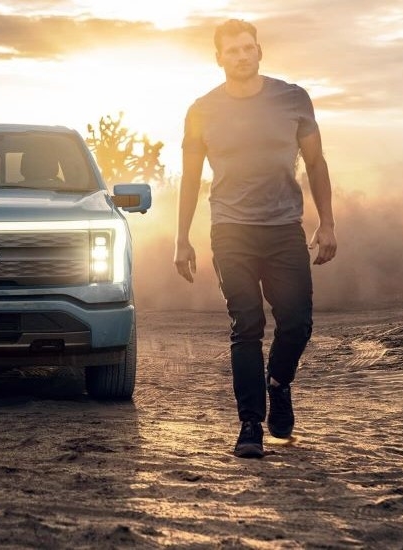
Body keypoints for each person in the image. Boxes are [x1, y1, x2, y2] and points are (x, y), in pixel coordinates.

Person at [174, 19, 337, 458]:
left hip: (285, 228)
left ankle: (278, 383)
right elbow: (190, 179)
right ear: (219, 58)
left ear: (259, 52)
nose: (242, 56)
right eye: (233, 50)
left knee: (298, 323)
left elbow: (317, 163)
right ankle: (250, 425)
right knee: (246, 325)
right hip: (231, 230)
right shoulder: (201, 110)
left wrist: (327, 223)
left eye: (248, 48)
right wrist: (181, 239)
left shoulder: (292, 99)